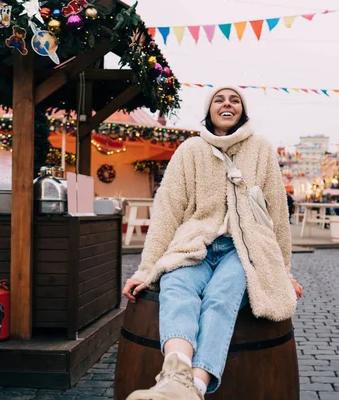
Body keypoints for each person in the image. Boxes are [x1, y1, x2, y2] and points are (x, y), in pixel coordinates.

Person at [122, 86, 303, 400]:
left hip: (243, 248)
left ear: (242, 110)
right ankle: (175, 376)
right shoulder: (190, 150)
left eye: (234, 100)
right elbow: (167, 210)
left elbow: (277, 210)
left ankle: (198, 386)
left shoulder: (260, 148)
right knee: (176, 285)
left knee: (222, 295)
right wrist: (147, 269)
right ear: (209, 110)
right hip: (196, 246)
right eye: (219, 99)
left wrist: (281, 269)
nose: (227, 104)